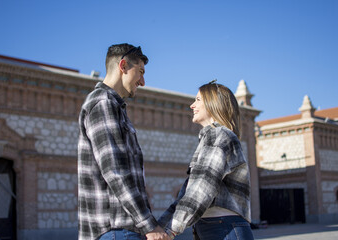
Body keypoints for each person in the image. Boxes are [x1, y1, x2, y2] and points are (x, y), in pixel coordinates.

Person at [78, 43, 170, 240]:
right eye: (140, 72)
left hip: (120, 229)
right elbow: (115, 171)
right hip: (116, 229)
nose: (143, 81)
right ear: (123, 66)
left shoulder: (113, 105)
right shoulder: (103, 103)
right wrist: (149, 225)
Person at [158, 80, 254, 240]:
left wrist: (171, 229)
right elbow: (188, 193)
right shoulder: (213, 137)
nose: (191, 105)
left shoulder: (219, 135)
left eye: (197, 100)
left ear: (212, 104)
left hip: (224, 227)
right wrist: (160, 226)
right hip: (218, 227)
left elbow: (203, 187)